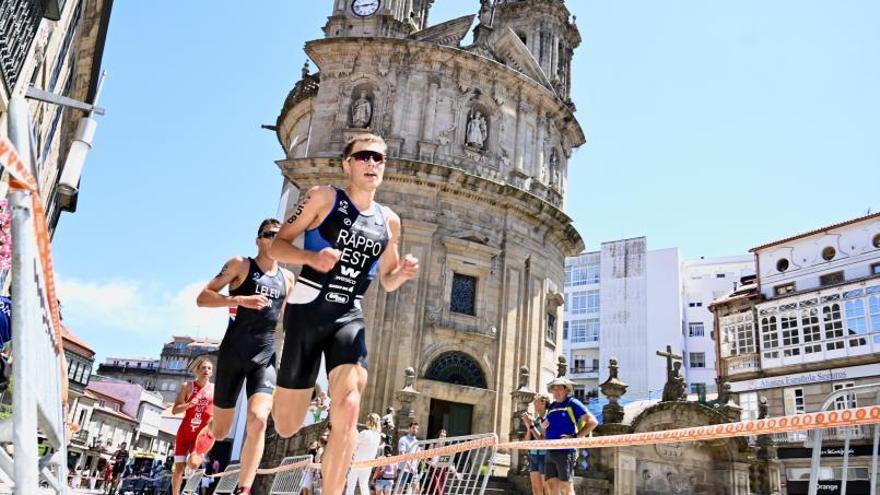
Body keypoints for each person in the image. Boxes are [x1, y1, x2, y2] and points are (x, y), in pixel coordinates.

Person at [269, 133, 420, 495]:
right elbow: (277, 244)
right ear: (347, 163)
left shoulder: (390, 221)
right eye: (363, 156)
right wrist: (310, 258)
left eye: (379, 158)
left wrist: (401, 274)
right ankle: (294, 398)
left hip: (348, 315)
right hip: (307, 310)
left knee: (351, 407)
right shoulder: (324, 197)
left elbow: (386, 278)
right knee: (287, 424)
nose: (372, 163)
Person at [191, 218, 295, 494]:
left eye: (281, 235)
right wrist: (238, 299)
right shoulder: (240, 265)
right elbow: (202, 297)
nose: (276, 239)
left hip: (265, 355)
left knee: (259, 419)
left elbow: (285, 320)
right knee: (223, 431)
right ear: (259, 239)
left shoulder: (288, 278)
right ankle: (210, 430)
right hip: (233, 353)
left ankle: (244, 489)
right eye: (270, 234)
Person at [541, 378, 598, 495]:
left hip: (565, 451)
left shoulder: (572, 403)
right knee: (551, 488)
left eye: (560, 388)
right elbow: (547, 430)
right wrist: (543, 427)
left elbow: (593, 422)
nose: (556, 391)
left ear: (567, 390)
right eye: (554, 388)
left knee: (566, 487)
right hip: (550, 451)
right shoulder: (551, 407)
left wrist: (576, 437)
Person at [170, 358, 215, 495]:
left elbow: (218, 410)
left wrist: (213, 426)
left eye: (209, 368)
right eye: (203, 368)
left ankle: (191, 467)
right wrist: (188, 405)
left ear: (211, 373)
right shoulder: (187, 386)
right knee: (178, 469)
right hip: (185, 432)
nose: (206, 370)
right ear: (197, 370)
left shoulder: (215, 389)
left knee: (194, 463)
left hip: (200, 434)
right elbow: (175, 410)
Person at [346, 413, 383, 495]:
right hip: (368, 463)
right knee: (364, 485)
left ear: (370, 421)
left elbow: (353, 446)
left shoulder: (365, 433)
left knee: (351, 484)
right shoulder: (378, 436)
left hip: (358, 461)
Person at [521, 394, 549, 495]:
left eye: (536, 401)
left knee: (547, 490)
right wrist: (529, 427)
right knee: (536, 490)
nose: (534, 403)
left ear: (544, 402)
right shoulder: (536, 420)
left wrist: (532, 425)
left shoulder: (548, 418)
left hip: (544, 456)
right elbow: (526, 443)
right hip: (533, 456)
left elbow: (542, 440)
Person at [397, 422, 421, 495]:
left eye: (416, 428)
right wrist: (410, 466)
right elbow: (402, 454)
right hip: (404, 469)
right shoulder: (403, 439)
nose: (415, 430)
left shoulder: (417, 442)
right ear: (409, 428)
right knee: (400, 490)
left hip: (414, 470)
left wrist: (417, 467)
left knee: (416, 490)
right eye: (413, 428)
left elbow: (418, 456)